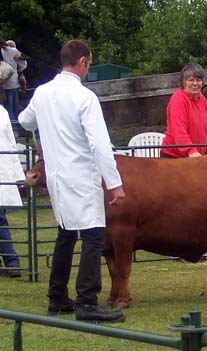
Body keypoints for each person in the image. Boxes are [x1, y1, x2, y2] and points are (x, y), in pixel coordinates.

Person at [18, 39, 126, 322]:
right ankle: (87, 301)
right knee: (93, 236)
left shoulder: (42, 93)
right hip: (80, 176)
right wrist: (114, 183)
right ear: (82, 62)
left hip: (56, 177)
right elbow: (100, 145)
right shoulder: (84, 97)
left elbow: (25, 120)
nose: (87, 69)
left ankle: (57, 297)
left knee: (65, 233)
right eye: (88, 64)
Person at [160, 63, 207, 158]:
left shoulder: (203, 101)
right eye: (191, 80)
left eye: (198, 80)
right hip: (175, 157)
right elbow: (179, 131)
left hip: (196, 157)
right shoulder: (178, 99)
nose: (195, 83)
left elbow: (206, 133)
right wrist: (191, 151)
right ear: (183, 82)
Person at [0, 104, 25, 277]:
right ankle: (11, 262)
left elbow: (9, 143)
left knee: (0, 218)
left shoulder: (1, 111)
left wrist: (17, 174)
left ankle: (12, 261)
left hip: (2, 171)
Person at [1, 38, 27, 121]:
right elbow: (24, 64)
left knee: (8, 106)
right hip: (15, 81)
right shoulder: (14, 51)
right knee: (15, 105)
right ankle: (18, 123)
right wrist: (18, 69)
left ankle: (13, 127)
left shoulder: (1, 52)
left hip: (6, 82)